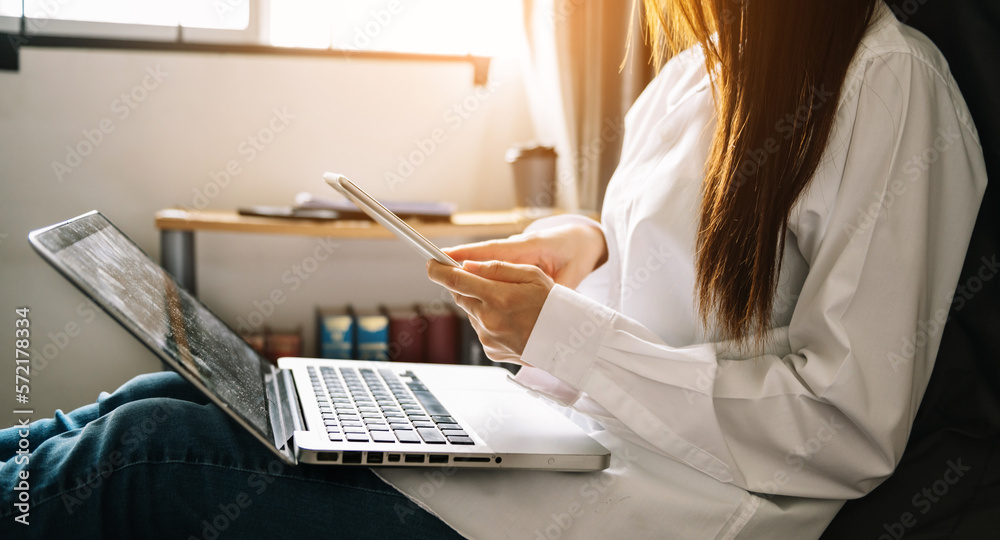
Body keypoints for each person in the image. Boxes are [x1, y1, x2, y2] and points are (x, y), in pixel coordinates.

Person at [0, 1, 987, 538]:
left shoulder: (887, 82)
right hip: (571, 438)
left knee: (134, 460)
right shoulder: (693, 75)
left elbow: (843, 428)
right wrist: (582, 250)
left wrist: (561, 331)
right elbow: (682, 278)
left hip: (674, 508)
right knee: (156, 393)